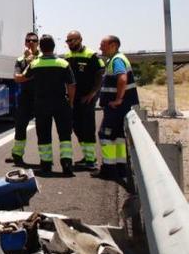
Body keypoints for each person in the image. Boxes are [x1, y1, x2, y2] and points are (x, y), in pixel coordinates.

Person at [26, 35, 76, 175]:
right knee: (65, 134)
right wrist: (70, 101)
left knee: (43, 134)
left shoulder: (35, 64)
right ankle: (66, 163)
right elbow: (71, 85)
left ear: (40, 47)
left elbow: (24, 77)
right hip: (60, 102)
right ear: (54, 47)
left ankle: (46, 164)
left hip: (41, 103)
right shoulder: (63, 63)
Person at [96, 35, 139, 180]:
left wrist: (118, 99)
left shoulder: (117, 60)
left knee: (105, 135)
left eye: (103, 44)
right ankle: (121, 168)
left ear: (113, 45)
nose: (100, 47)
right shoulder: (115, 59)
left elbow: (122, 78)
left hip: (117, 108)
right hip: (121, 108)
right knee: (119, 137)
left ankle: (109, 169)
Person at [63, 31, 105, 169]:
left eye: (72, 40)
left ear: (80, 39)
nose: (70, 43)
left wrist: (92, 94)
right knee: (76, 126)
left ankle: (91, 160)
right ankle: (87, 157)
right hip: (73, 98)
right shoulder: (67, 56)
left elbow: (100, 75)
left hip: (87, 98)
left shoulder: (91, 55)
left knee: (87, 127)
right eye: (68, 41)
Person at [9, 32, 40, 166]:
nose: (31, 42)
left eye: (34, 40)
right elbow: (17, 77)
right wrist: (28, 63)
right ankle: (17, 155)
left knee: (42, 128)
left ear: (38, 43)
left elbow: (38, 76)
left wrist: (29, 64)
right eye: (28, 40)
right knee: (20, 126)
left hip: (40, 97)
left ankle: (45, 160)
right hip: (24, 97)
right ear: (25, 43)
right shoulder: (20, 59)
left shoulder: (44, 57)